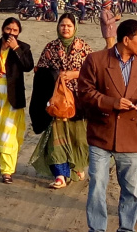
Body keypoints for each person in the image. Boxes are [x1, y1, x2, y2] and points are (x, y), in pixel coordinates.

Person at [78, 19, 137, 232]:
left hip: (131, 135)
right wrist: (112, 102)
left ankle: (126, 231)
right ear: (126, 40)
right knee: (97, 186)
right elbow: (84, 92)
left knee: (131, 189)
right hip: (101, 133)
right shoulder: (96, 60)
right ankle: (97, 231)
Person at [28, 13, 93, 188]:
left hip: (78, 101)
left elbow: (94, 72)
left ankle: (77, 165)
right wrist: (55, 77)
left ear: (75, 28)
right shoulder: (50, 47)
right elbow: (40, 73)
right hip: (56, 100)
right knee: (56, 138)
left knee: (78, 137)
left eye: (69, 26)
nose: (65, 28)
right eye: (62, 25)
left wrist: (74, 74)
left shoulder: (84, 47)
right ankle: (60, 175)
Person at [0, 18, 34, 184]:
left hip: (12, 96)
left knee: (7, 132)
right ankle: (0, 161)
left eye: (15, 30)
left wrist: (16, 48)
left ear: (19, 33)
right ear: (2, 29)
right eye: (8, 29)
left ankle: (7, 170)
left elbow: (28, 66)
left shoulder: (23, 47)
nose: (11, 32)